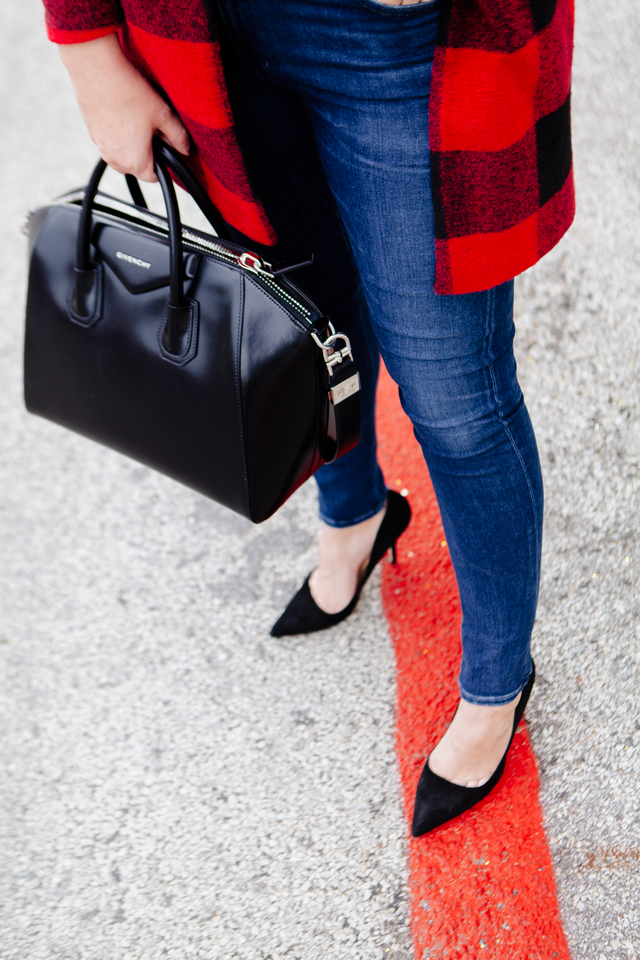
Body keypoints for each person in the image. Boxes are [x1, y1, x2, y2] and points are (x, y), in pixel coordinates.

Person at [44, 0, 574, 834]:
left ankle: (498, 679)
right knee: (297, 319)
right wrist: (86, 48)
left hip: (402, 37)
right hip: (205, 28)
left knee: (454, 397)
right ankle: (354, 519)